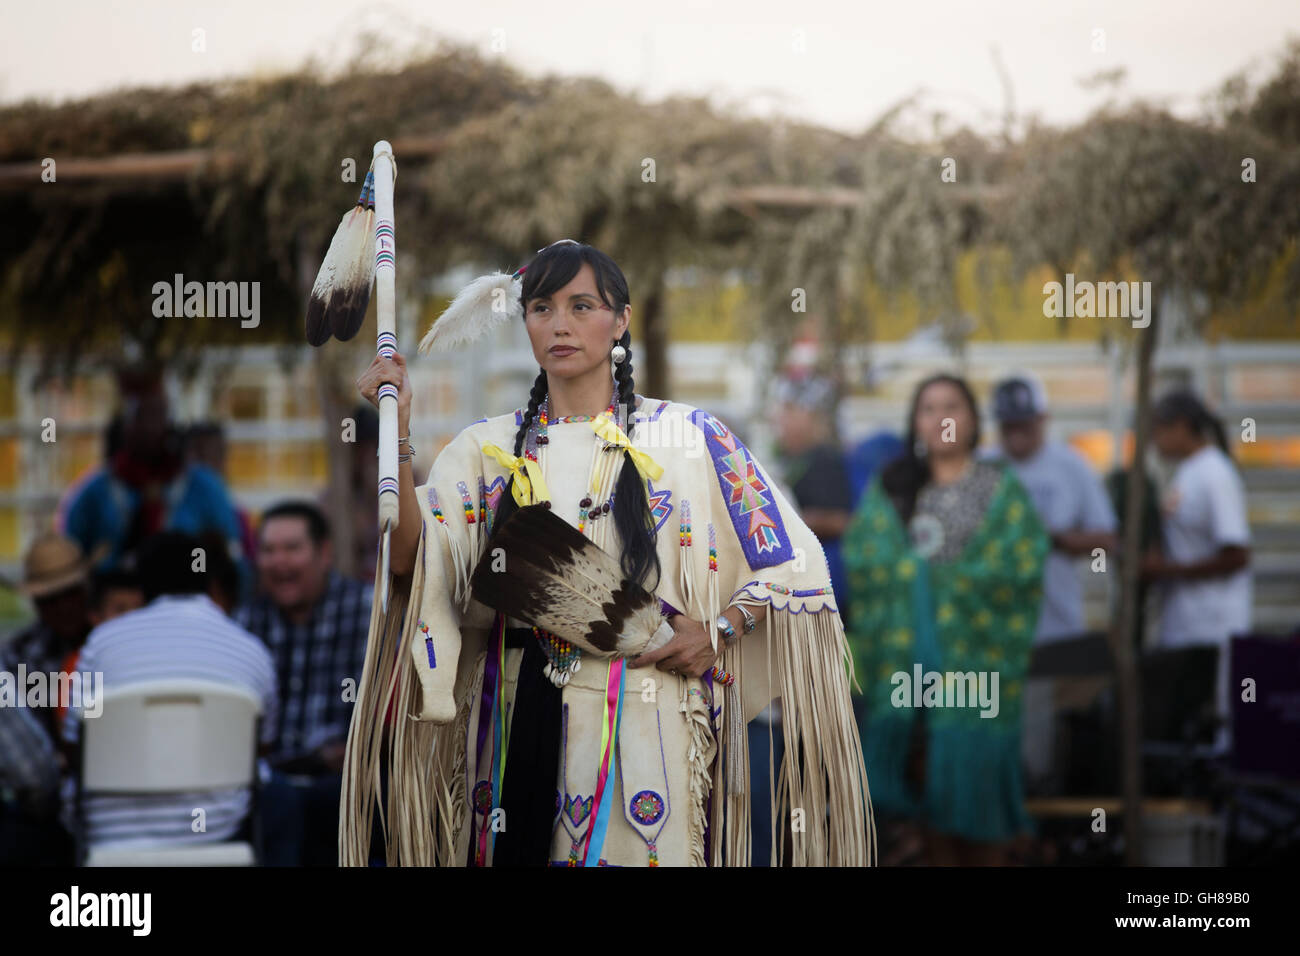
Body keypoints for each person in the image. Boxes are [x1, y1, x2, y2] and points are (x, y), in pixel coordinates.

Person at [343, 240, 871, 866]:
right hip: (512, 726)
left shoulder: (688, 438)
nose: (560, 323)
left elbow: (792, 562)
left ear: (620, 320)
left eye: (581, 305)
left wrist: (722, 628)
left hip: (647, 720)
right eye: (541, 308)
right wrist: (397, 434)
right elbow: (414, 560)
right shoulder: (484, 449)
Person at [843, 373, 1048, 865]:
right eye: (928, 408)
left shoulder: (999, 489)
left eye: (952, 406)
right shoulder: (894, 487)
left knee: (981, 822)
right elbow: (866, 561)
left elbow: (1020, 568)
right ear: (915, 422)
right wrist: (912, 577)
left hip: (976, 678)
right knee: (930, 817)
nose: (941, 419)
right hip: (910, 687)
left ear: (974, 419)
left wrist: (940, 585)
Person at [63, 532, 277, 853]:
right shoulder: (251, 650)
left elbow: (75, 740)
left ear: (143, 586)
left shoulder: (101, 643)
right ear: (209, 582)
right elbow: (262, 747)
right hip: (216, 833)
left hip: (112, 837)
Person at [986, 375, 1119, 792]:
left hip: (1056, 630)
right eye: (1009, 426)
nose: (1017, 434)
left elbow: (1107, 539)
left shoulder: (1070, 465)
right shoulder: (984, 466)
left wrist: (1053, 539)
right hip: (993, 636)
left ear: (1044, 419)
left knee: (1045, 752)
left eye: (1025, 424)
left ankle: (1042, 836)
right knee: (998, 745)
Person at [233, 501, 371, 866]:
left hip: (345, 786)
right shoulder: (245, 624)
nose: (279, 562)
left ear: (324, 553)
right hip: (267, 788)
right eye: (268, 551)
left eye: (292, 548)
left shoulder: (370, 612)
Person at [61, 368, 249, 598]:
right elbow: (68, 564)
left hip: (188, 605)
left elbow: (234, 560)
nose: (151, 427)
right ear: (126, 425)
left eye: (158, 416)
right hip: (118, 609)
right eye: (142, 416)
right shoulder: (94, 492)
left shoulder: (203, 487)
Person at [1143, 390, 1252, 753]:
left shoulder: (1215, 474)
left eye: (1157, 429)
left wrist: (1169, 571)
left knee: (1213, 725)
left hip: (1213, 627)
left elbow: (1237, 554)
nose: (1152, 439)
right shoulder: (1187, 473)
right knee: (1184, 723)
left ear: (1182, 427)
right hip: (1184, 626)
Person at [0, 533, 95, 739]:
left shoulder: (104, 645)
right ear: (36, 603)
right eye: (51, 599)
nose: (64, 607)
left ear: (85, 591)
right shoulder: (16, 657)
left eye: (70, 593)